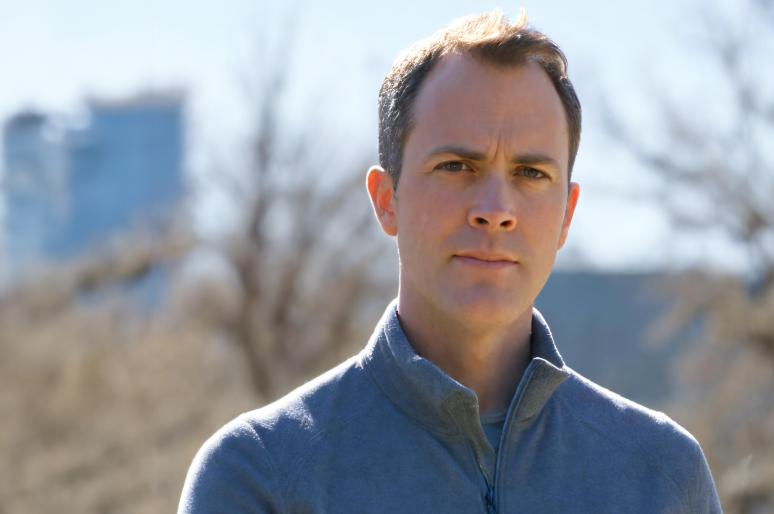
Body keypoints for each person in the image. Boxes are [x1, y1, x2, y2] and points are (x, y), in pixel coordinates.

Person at [178, 10, 722, 513]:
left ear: (565, 216)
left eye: (531, 174)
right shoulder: (260, 474)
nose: (495, 211)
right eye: (458, 166)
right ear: (386, 199)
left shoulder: (663, 474)